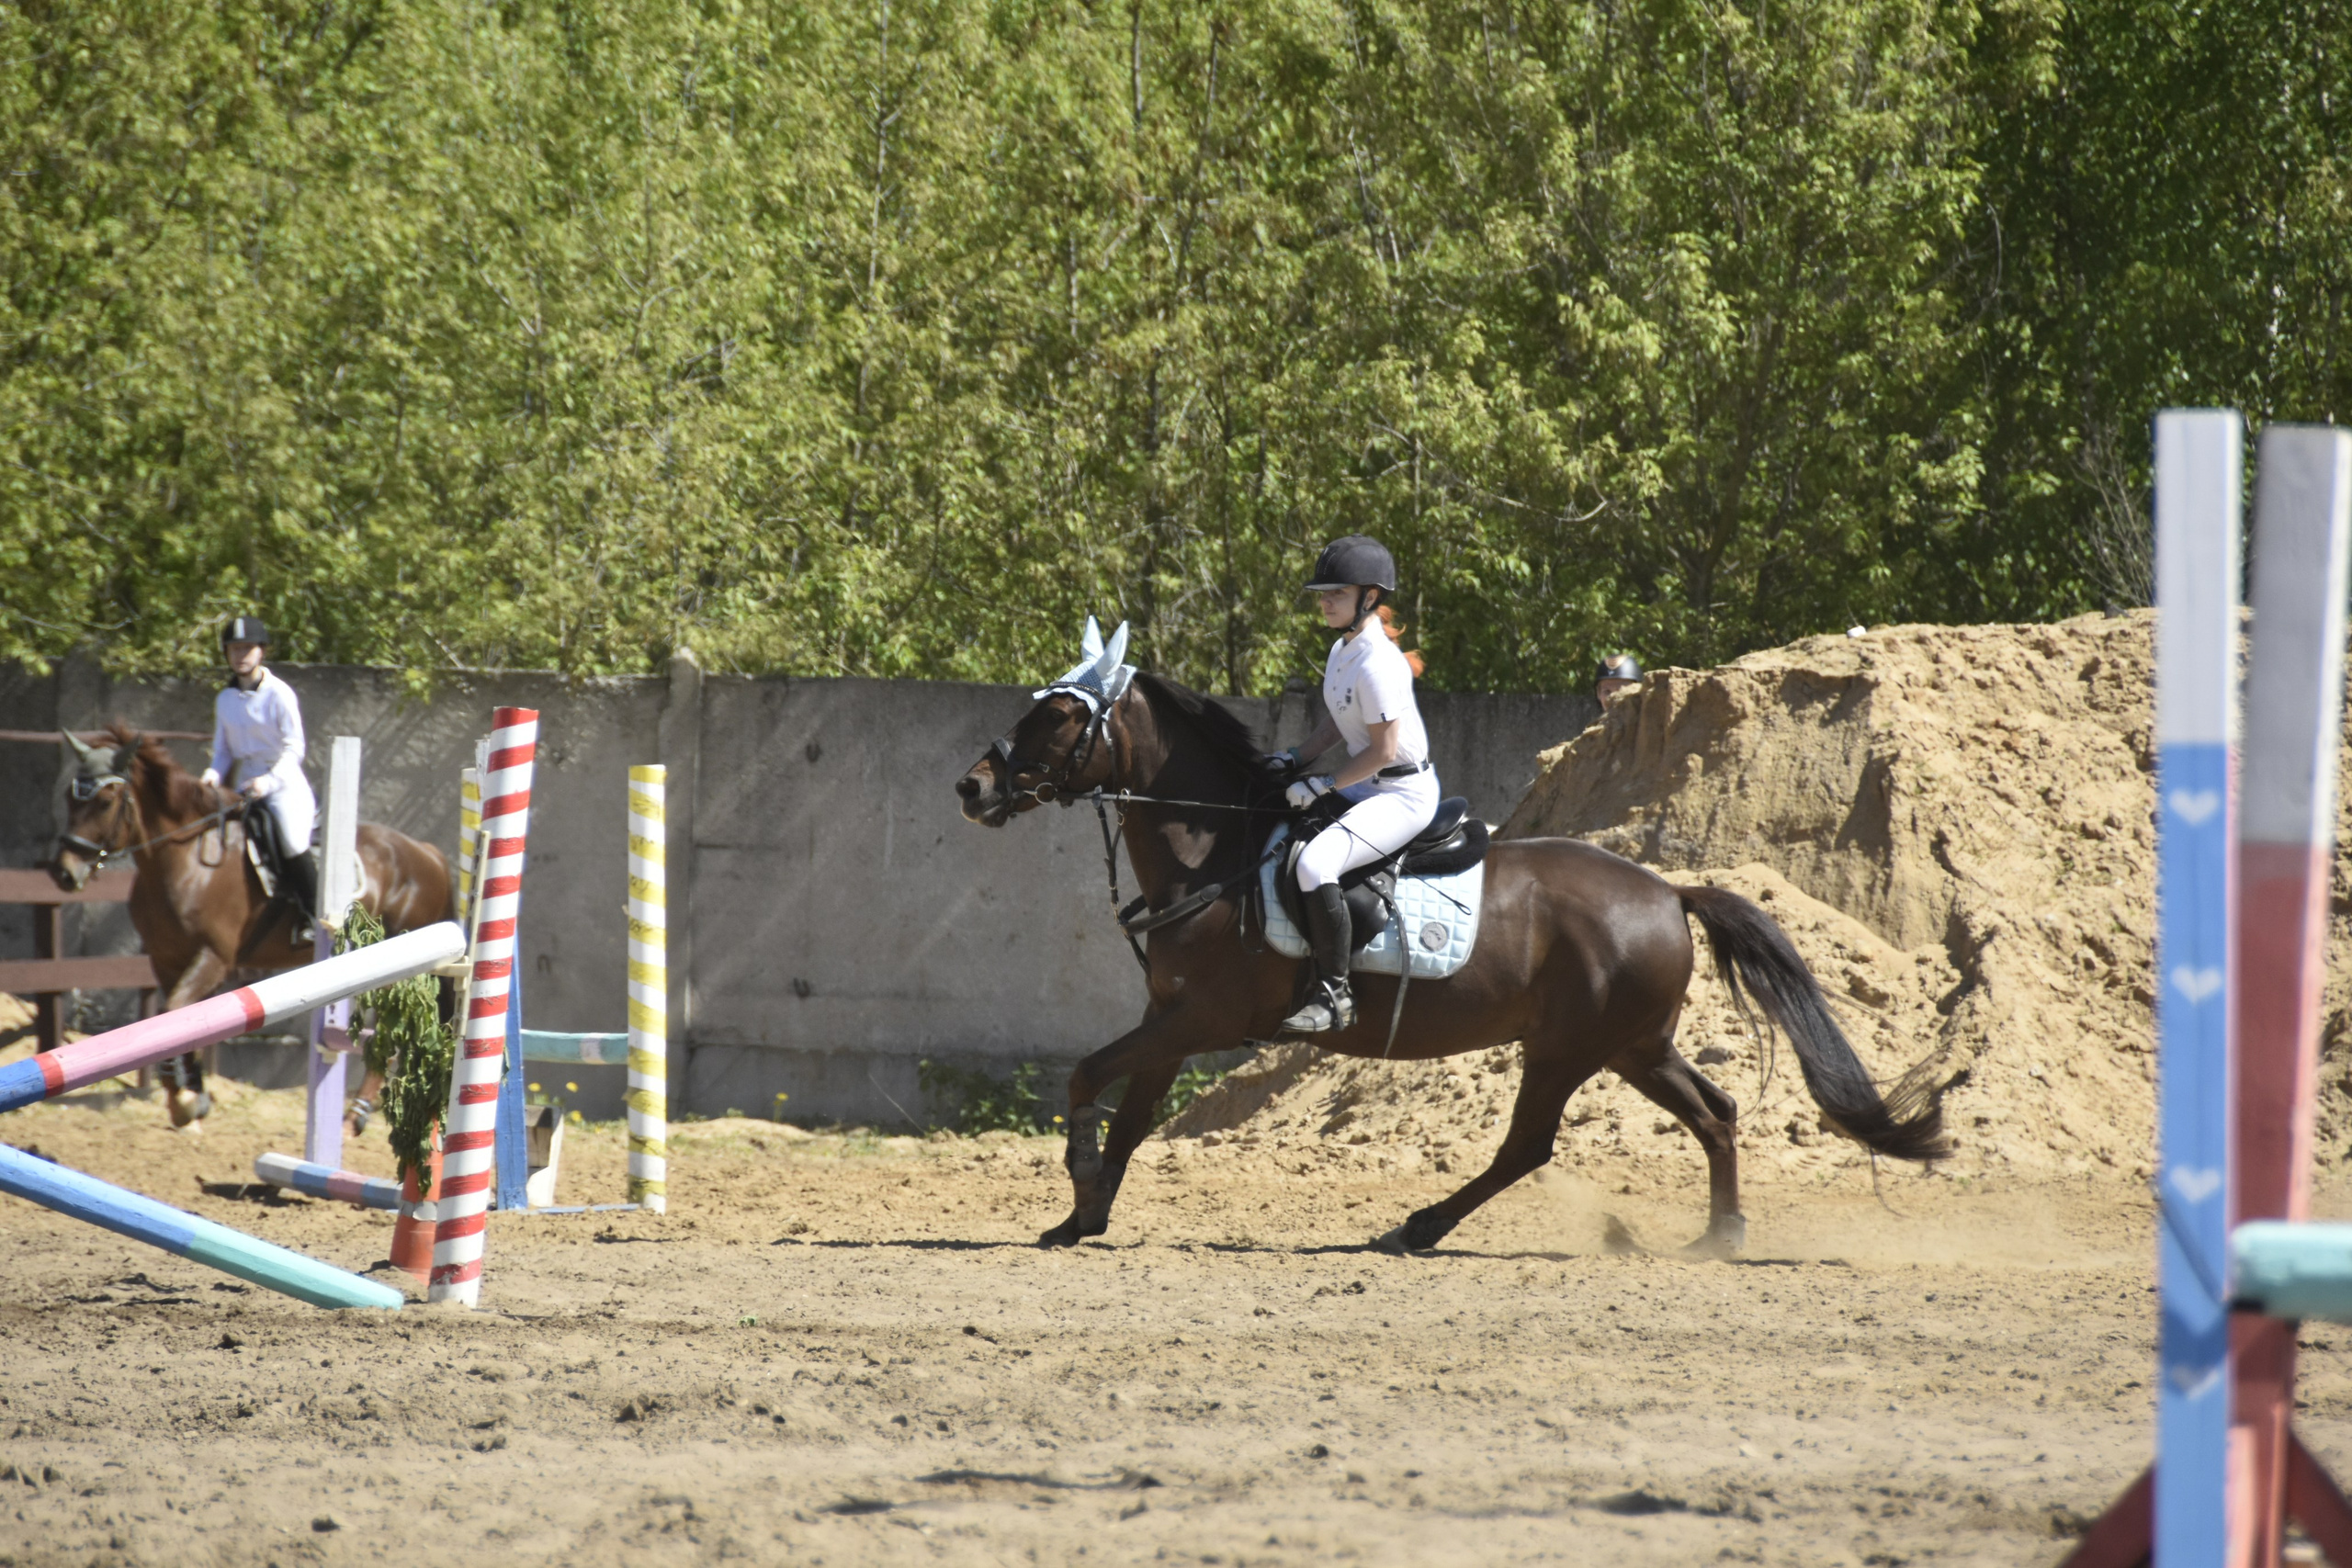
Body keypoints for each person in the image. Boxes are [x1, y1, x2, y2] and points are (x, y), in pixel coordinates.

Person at [1264, 535, 1439, 1035]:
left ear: (1369, 596)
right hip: (1369, 786)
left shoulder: (1378, 663)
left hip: (1401, 796)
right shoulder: (1344, 650)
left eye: (1335, 593)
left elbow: (1383, 752)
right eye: (1322, 594)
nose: (1325, 602)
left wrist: (1320, 784)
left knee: (1318, 864)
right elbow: (1338, 724)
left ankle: (1335, 993)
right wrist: (1294, 757)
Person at [200, 616, 320, 934]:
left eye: (247, 648)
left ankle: (313, 914)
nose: (240, 655)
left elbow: (295, 748)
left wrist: (268, 781)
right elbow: (223, 750)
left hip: (284, 784)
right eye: (233, 649)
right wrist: (212, 774)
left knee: (293, 843)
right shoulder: (224, 699)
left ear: (261, 651)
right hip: (246, 785)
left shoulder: (280, 694)